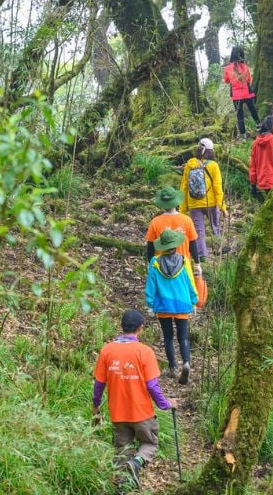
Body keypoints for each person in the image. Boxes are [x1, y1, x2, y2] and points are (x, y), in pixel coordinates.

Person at [92, 309, 176, 489]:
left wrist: (96, 405)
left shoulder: (107, 350)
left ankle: (121, 488)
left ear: (122, 327)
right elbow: (152, 386)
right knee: (149, 443)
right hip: (142, 413)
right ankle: (137, 463)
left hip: (118, 414)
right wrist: (165, 404)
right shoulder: (145, 352)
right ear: (140, 328)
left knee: (122, 452)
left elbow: (99, 383)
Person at [145, 229, 200, 385]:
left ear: (161, 246)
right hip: (182, 303)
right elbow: (190, 281)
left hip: (163, 305)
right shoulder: (184, 260)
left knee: (168, 337)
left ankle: (172, 367)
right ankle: (186, 362)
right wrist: (194, 300)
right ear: (176, 245)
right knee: (183, 337)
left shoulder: (155, 262)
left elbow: (151, 285)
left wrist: (150, 304)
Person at [179, 138, 227, 262]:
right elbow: (218, 187)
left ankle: (202, 256)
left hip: (194, 203)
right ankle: (218, 249)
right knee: (215, 226)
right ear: (211, 151)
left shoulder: (190, 163)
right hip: (211, 203)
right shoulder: (213, 165)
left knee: (199, 231)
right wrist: (222, 207)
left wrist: (182, 209)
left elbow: (184, 186)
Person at [145, 186, 200, 266]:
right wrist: (197, 263)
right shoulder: (187, 220)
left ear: (162, 203)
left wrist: (151, 264)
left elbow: (150, 247)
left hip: (161, 267)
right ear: (176, 201)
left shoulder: (155, 222)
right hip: (183, 266)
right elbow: (193, 244)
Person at [223, 46, 260, 138]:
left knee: (239, 114)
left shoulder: (227, 68)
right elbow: (249, 80)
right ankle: (260, 126)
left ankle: (243, 135)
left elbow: (226, 80)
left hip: (236, 95)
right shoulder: (245, 67)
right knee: (253, 110)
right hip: (247, 93)